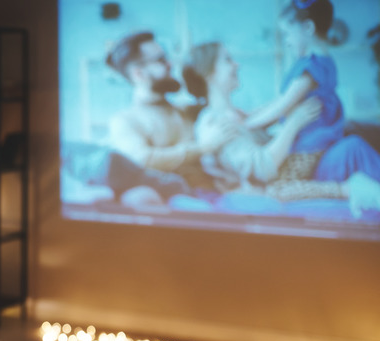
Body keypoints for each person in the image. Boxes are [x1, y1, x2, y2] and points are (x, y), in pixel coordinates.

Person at [183, 41, 380, 215]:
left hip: (290, 175)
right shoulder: (216, 124)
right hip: (279, 187)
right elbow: (263, 168)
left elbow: (272, 110)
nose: (237, 64)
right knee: (353, 149)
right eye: (227, 60)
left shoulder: (235, 114)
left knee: (352, 145)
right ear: (208, 74)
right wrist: (295, 123)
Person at [245, 0, 380, 184]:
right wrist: (249, 115)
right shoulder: (321, 62)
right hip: (319, 143)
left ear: (308, 27)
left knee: (277, 184)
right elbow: (279, 101)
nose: (286, 41)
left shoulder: (311, 69)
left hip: (309, 148)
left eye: (287, 34)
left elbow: (282, 106)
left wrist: (246, 125)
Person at [106, 31, 234, 193]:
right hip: (178, 205)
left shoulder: (186, 110)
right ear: (139, 73)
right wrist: (203, 148)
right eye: (161, 60)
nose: (170, 64)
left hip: (216, 195)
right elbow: (141, 159)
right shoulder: (125, 120)